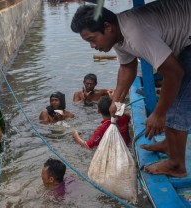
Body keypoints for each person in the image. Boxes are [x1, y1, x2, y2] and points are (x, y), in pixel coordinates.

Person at [71, 1, 191, 177]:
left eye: (92, 39)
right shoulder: (119, 35)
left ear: (107, 27)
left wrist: (158, 113)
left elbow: (174, 74)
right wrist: (117, 101)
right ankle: (169, 144)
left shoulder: (136, 34)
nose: (92, 46)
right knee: (172, 99)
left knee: (176, 104)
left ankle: (176, 165)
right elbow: (127, 68)